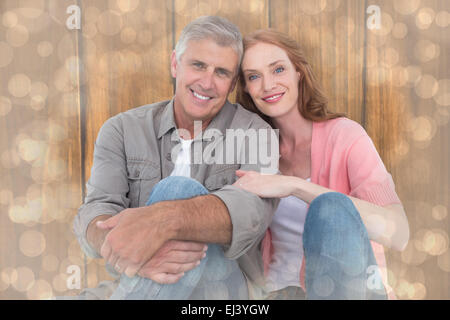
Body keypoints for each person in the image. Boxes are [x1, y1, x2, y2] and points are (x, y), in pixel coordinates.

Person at [71, 17, 279, 300]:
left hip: (226, 290)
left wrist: (164, 221)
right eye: (198, 65)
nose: (206, 83)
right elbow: (96, 210)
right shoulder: (121, 129)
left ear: (232, 84)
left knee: (178, 191)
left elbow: (251, 213)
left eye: (221, 72)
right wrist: (136, 251)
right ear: (174, 64)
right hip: (141, 277)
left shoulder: (256, 133)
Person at [234, 29, 410, 300]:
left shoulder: (345, 135)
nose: (268, 85)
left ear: (298, 72)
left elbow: (398, 234)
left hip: (350, 292)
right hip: (277, 294)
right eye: (254, 76)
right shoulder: (248, 151)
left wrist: (293, 186)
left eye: (278, 69)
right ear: (246, 87)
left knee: (330, 207)